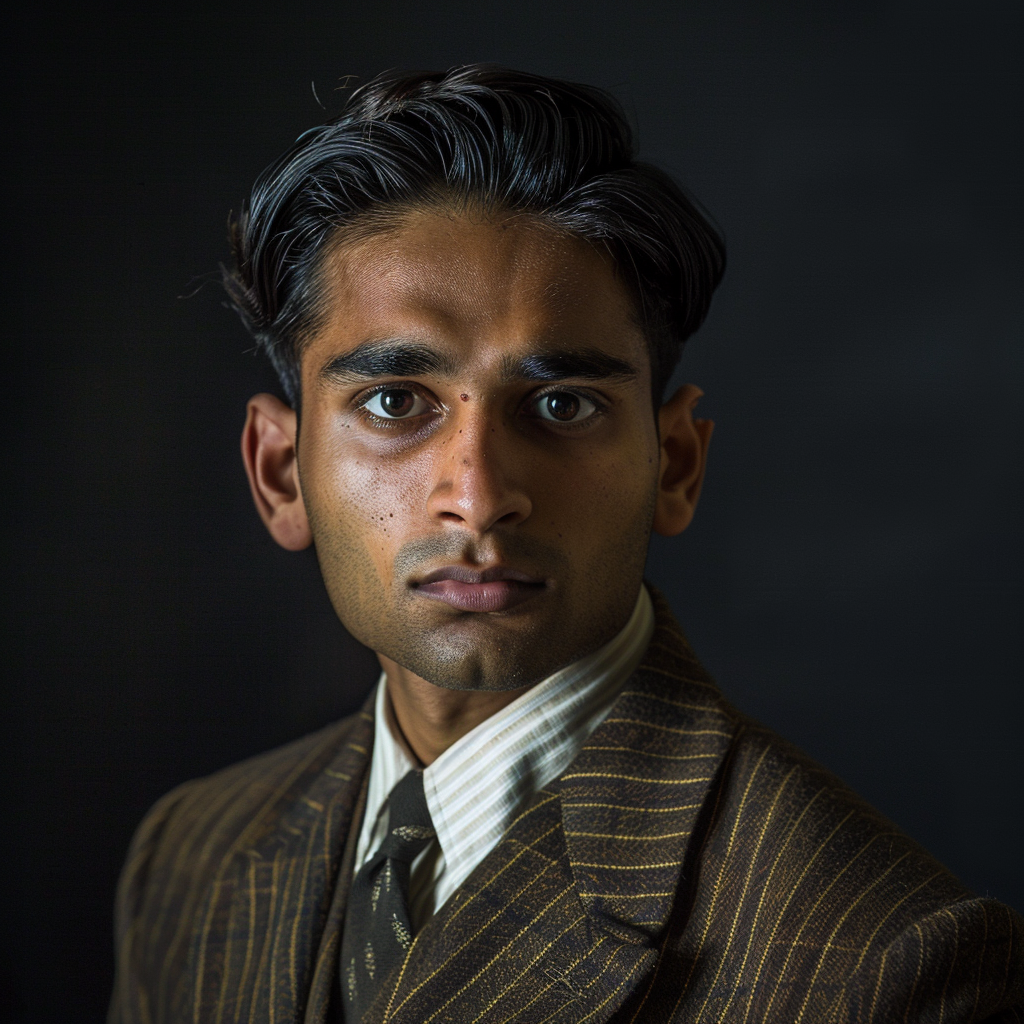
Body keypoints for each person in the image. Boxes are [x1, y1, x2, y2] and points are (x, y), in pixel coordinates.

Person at [108, 65, 1023, 1024]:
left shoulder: (882, 961)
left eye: (562, 404)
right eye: (393, 403)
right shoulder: (189, 859)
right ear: (280, 472)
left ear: (673, 464)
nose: (481, 496)